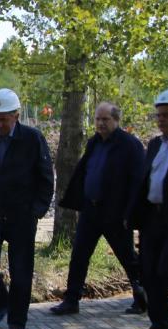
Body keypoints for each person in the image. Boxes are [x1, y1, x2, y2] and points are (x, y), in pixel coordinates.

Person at [52, 102, 146, 315]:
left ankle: (142, 295)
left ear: (116, 120)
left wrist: (131, 212)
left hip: (116, 212)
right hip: (91, 210)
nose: (101, 123)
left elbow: (137, 182)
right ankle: (71, 300)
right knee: (79, 255)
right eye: (98, 119)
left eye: (105, 119)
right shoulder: (94, 142)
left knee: (127, 257)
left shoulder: (130, 145)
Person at [0, 89, 54, 329]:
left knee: (20, 270)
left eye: (3, 119)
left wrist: (37, 211)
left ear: (15, 116)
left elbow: (46, 177)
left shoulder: (32, 139)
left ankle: (17, 323)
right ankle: (2, 301)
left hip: (22, 216)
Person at [126, 89, 168, 329]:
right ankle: (160, 328)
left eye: (167, 115)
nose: (161, 120)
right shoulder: (156, 144)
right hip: (153, 219)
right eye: (158, 115)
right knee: (149, 273)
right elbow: (146, 181)